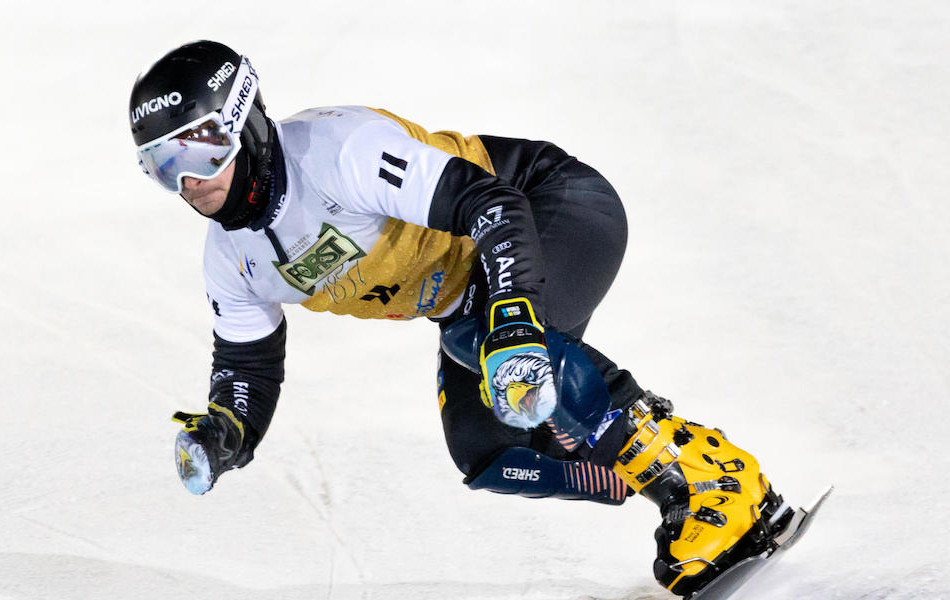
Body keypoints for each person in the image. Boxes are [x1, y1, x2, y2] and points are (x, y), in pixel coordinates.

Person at [129, 40, 794, 597]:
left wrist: (511, 321)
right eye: (164, 165)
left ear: (244, 121)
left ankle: (714, 481)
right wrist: (225, 432)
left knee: (498, 346)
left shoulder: (337, 151)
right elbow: (248, 368)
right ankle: (666, 480)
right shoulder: (231, 259)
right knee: (491, 453)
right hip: (473, 294)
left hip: (551, 205)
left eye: (201, 148)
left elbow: (493, 205)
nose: (190, 182)